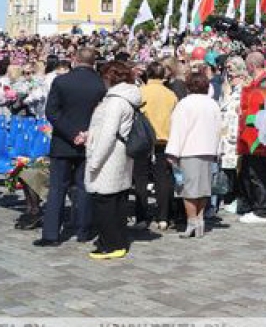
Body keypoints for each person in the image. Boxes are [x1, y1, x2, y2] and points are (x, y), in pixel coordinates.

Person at [35, 47, 106, 248]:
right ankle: (83, 231)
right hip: (89, 141)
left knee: (57, 188)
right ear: (93, 62)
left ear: (75, 59)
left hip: (63, 141)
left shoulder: (62, 81)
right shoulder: (100, 83)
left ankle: (51, 234)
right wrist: (84, 134)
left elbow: (52, 112)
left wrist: (72, 133)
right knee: (84, 187)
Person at [85, 61, 142, 260]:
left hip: (109, 156)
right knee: (117, 200)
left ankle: (110, 244)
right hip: (119, 153)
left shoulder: (115, 101)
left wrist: (95, 161)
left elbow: (108, 134)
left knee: (106, 202)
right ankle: (118, 242)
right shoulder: (125, 98)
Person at [164, 70, 223, 238]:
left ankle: (192, 221)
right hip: (208, 150)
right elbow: (219, 129)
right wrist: (217, 150)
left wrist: (172, 151)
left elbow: (178, 129)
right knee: (203, 189)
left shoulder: (185, 104)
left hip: (189, 150)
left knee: (188, 189)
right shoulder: (213, 104)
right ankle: (199, 220)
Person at [138, 61, 179, 230]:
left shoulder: (141, 92)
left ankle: (141, 217)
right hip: (164, 140)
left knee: (140, 179)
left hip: (143, 140)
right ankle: (163, 217)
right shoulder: (171, 95)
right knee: (163, 180)